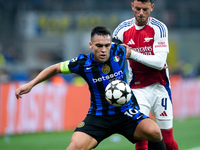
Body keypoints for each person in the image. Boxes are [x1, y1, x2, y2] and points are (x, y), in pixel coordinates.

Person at [15, 26, 166, 150]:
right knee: (73, 148)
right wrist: (30, 84)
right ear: (91, 45)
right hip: (98, 116)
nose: (103, 49)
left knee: (154, 131)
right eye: (99, 45)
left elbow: (140, 55)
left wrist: (158, 66)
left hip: (126, 112)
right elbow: (55, 68)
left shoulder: (119, 51)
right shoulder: (82, 63)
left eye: (107, 45)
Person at [112, 0, 179, 150]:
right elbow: (113, 57)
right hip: (137, 89)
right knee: (141, 139)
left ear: (152, 8)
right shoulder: (121, 30)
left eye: (145, 9)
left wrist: (132, 53)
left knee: (167, 140)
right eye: (137, 9)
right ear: (132, 7)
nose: (141, 13)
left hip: (159, 87)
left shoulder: (159, 28)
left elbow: (159, 62)